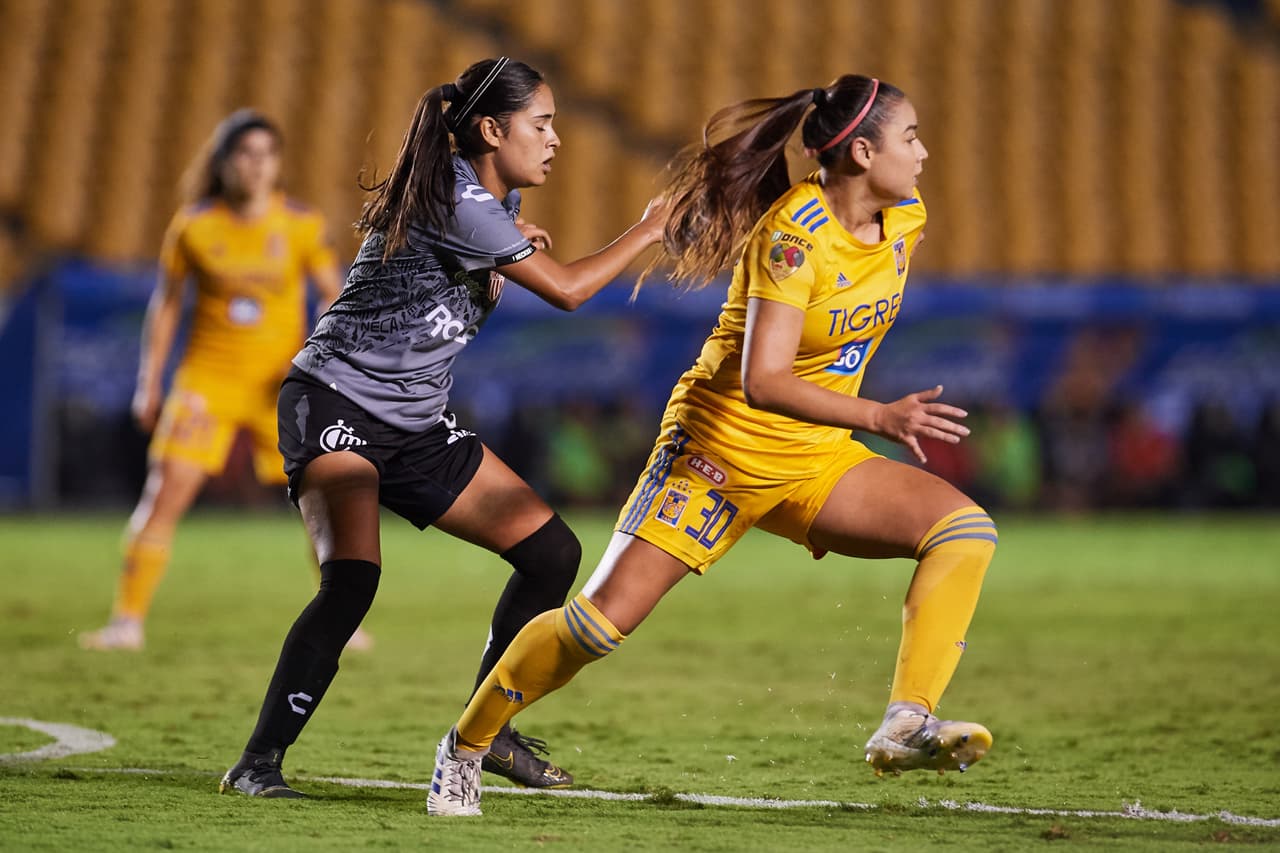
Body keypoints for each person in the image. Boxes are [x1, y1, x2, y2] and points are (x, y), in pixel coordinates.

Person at [427, 74, 1000, 816]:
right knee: (597, 626)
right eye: (910, 137)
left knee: (964, 533)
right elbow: (763, 381)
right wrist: (879, 417)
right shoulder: (793, 241)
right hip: (718, 456)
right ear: (862, 152)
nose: (922, 153)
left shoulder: (906, 217)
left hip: (813, 459)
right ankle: (465, 746)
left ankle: (906, 721)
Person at [218, 57, 669, 798]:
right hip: (335, 402)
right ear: (491, 130)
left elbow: (463, 254)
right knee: (352, 580)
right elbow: (568, 291)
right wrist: (650, 228)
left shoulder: (490, 201)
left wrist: (510, 236)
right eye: (541, 124)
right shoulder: (461, 199)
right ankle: (257, 763)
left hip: (416, 421)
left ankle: (490, 731)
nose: (555, 139)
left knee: (551, 552)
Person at [76, 110, 368, 652]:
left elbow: (335, 295)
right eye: (245, 154)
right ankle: (126, 623)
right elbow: (166, 305)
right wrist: (148, 381)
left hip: (281, 386)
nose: (256, 166)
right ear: (223, 163)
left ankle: (341, 625)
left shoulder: (300, 225)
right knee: (163, 495)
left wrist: (319, 357)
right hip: (206, 383)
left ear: (278, 164)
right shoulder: (194, 225)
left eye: (267, 155)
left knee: (319, 504)